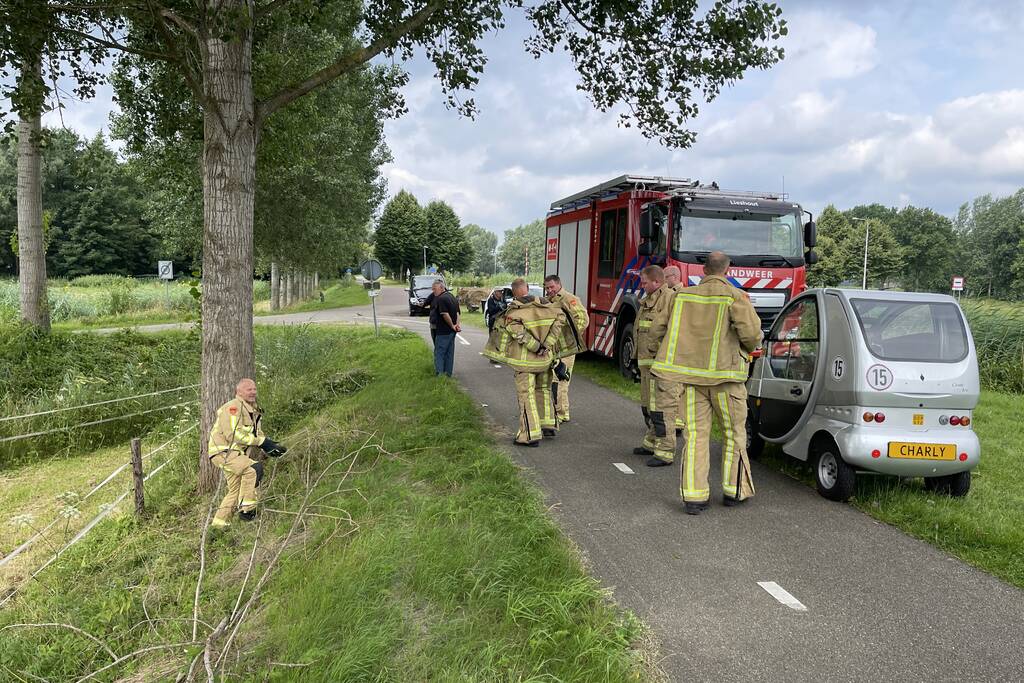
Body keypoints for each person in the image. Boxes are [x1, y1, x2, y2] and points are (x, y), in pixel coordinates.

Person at [650, 251, 762, 515]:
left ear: (703, 270)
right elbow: (752, 335)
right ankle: (734, 491)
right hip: (727, 380)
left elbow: (657, 329)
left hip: (691, 381)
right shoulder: (735, 296)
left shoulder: (682, 296)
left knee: (696, 436)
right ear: (727, 270)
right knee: (734, 434)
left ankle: (694, 497)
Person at [483, 278, 570, 446]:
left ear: (513, 293)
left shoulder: (513, 312)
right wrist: (547, 346)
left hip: (526, 364)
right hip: (546, 361)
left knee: (526, 396)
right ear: (528, 289)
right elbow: (560, 322)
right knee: (544, 391)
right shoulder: (548, 306)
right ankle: (548, 425)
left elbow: (518, 334)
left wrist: (537, 347)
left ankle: (529, 436)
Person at [207, 378, 287, 528]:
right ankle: (247, 511)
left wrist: (270, 446)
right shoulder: (233, 408)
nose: (253, 392)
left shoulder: (253, 410)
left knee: (235, 490)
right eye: (249, 389)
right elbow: (233, 435)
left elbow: (257, 435)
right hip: (224, 452)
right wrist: (262, 443)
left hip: (234, 454)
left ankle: (218, 526)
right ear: (239, 392)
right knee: (253, 470)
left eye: (254, 389)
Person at [630, 265, 677, 467]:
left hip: (661, 367)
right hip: (647, 365)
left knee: (661, 409)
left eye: (644, 281)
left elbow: (673, 332)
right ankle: (651, 444)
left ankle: (665, 452)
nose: (642, 285)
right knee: (649, 406)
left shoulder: (670, 299)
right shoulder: (648, 300)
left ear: (657, 282)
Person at [543, 274, 589, 424]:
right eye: (547, 287)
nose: (549, 290)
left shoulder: (569, 299)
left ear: (559, 285)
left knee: (561, 378)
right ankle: (559, 411)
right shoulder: (549, 301)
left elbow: (583, 319)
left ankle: (561, 413)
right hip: (553, 348)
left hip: (566, 348)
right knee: (552, 379)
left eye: (552, 287)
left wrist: (571, 336)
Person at [422, 279, 461, 377]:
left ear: (442, 288)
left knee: (439, 352)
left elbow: (445, 314)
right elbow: (457, 313)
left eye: (435, 289)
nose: (433, 291)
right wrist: (456, 325)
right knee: (449, 353)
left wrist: (452, 325)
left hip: (443, 331)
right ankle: (448, 374)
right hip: (452, 332)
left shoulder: (441, 299)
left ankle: (439, 375)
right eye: (432, 289)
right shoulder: (452, 297)